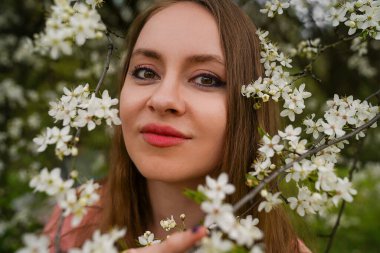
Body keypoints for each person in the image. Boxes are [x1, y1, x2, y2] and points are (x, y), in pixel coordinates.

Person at [45, 0, 312, 252]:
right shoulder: (78, 213)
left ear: (251, 106)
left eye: (206, 79)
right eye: (146, 72)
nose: (162, 100)